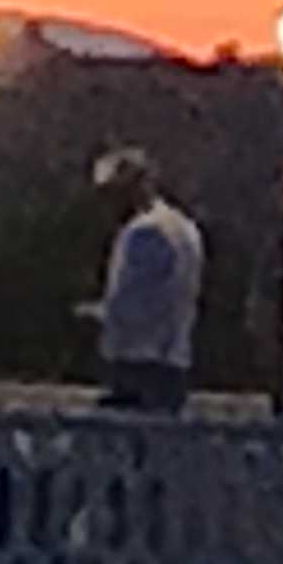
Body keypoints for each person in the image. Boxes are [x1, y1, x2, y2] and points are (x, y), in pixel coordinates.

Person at [87, 147, 204, 413]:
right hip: (175, 362)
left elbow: (133, 305)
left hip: (140, 365)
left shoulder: (144, 233)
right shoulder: (185, 227)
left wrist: (98, 315)